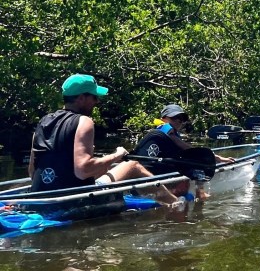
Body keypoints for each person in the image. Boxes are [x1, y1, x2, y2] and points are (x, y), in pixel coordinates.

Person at [28, 74, 178, 204]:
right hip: (73, 200)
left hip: (39, 196)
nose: (97, 101)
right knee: (132, 165)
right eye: (94, 97)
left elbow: (32, 172)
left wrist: (103, 164)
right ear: (81, 98)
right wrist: (116, 156)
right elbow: (83, 170)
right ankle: (175, 204)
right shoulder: (83, 121)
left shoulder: (43, 122)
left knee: (106, 167)